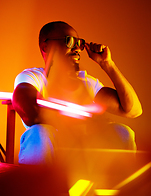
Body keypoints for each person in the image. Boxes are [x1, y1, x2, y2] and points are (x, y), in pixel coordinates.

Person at [12, 21, 142, 165]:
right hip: (51, 152)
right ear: (46, 46)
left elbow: (133, 110)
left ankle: (120, 184)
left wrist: (107, 64)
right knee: (40, 133)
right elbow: (32, 114)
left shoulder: (87, 82)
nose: (77, 49)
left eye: (79, 43)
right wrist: (89, 119)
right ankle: (35, 185)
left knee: (123, 132)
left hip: (81, 153)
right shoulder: (32, 77)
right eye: (70, 41)